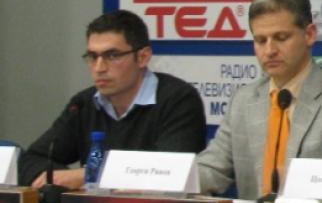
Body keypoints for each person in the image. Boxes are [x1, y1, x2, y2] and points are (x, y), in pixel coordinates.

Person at [196, 0, 322, 200]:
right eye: (260, 41)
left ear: (309, 35)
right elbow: (212, 168)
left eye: (281, 38)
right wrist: (169, 181)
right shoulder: (244, 100)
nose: (269, 50)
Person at [18, 10, 206, 188]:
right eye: (93, 57)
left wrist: (88, 175)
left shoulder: (178, 100)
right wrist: (63, 179)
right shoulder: (83, 103)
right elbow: (31, 161)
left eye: (112, 55)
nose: (99, 68)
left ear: (143, 57)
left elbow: (171, 173)